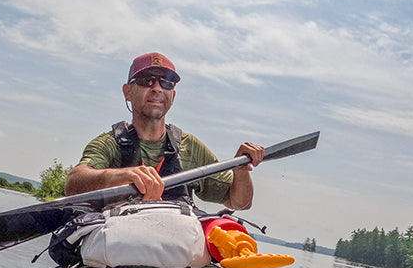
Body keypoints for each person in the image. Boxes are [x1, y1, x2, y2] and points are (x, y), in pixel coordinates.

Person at [65, 52, 265, 209]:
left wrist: (241, 170)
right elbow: (74, 183)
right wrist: (120, 176)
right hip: (118, 249)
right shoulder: (109, 144)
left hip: (173, 250)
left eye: (166, 82)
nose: (157, 88)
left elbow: (239, 202)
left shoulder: (190, 147)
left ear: (173, 95)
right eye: (146, 80)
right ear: (127, 92)